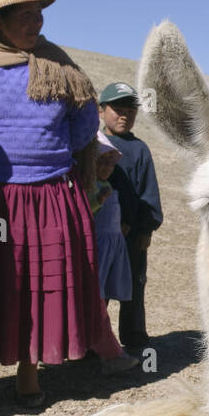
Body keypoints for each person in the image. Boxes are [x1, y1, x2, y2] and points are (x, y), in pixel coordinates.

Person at [0, 0, 135, 409]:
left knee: (34, 286)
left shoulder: (59, 65)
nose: (34, 23)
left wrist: (48, 158)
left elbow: (85, 123)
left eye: (37, 14)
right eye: (23, 16)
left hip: (49, 196)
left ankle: (29, 378)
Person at [99, 82, 163, 350]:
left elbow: (148, 193)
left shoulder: (140, 150)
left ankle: (134, 337)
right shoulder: (92, 143)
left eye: (131, 110)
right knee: (97, 287)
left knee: (135, 286)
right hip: (97, 233)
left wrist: (146, 229)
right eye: (118, 109)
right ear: (102, 110)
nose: (125, 115)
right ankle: (94, 342)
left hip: (132, 236)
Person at [91, 126, 132, 304]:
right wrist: (98, 200)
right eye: (102, 161)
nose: (107, 167)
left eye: (111, 163)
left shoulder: (109, 184)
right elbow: (85, 211)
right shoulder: (90, 187)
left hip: (112, 247)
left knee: (105, 288)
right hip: (96, 246)